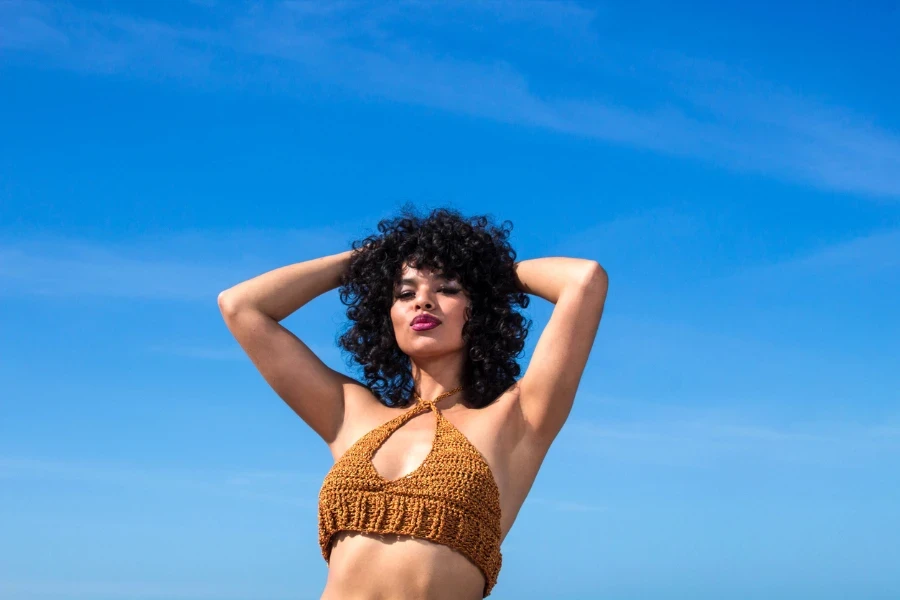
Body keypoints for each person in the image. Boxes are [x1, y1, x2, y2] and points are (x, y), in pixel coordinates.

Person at [217, 206, 608, 599]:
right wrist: (367, 263)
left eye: (448, 289)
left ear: (481, 310)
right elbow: (241, 306)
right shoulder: (350, 412)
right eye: (405, 293)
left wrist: (486, 272)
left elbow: (584, 279)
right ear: (386, 315)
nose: (423, 301)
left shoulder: (518, 416)